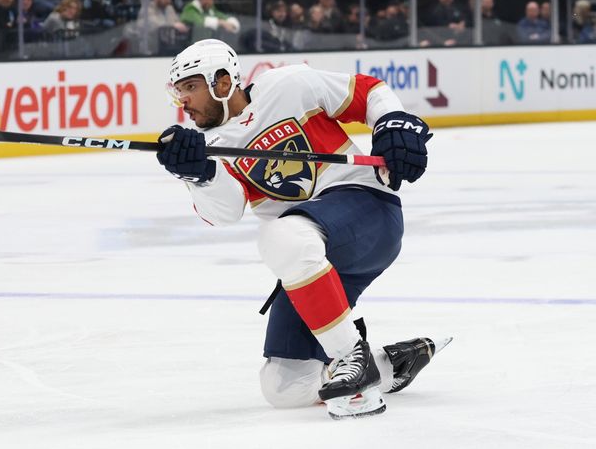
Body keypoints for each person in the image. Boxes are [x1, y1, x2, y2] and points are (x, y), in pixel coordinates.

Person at [156, 38, 448, 419]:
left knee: (281, 234)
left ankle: (350, 357)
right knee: (284, 386)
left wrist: (392, 123)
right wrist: (200, 174)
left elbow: (368, 91)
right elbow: (225, 213)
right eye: (179, 93)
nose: (184, 102)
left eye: (190, 88)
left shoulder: (289, 85)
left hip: (367, 210)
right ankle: (391, 365)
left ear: (222, 82)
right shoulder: (206, 146)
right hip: (308, 253)